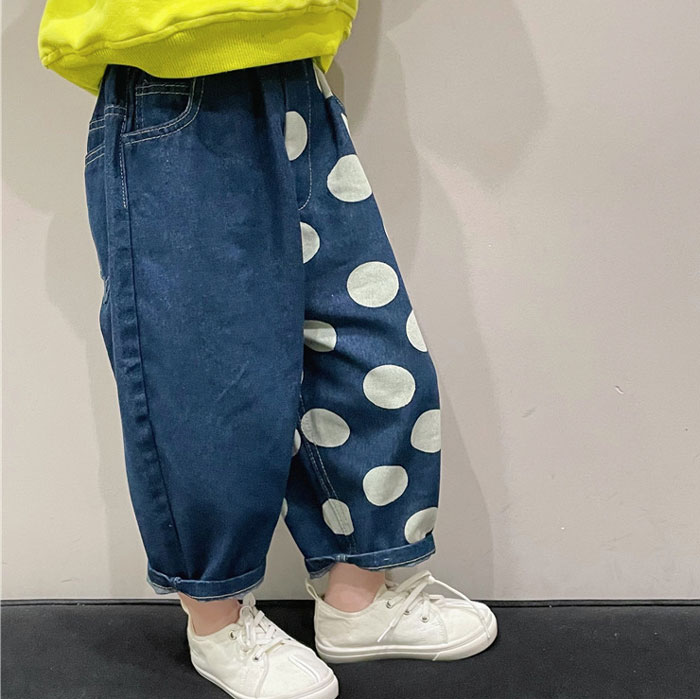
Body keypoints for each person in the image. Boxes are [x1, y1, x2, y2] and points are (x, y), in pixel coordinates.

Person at [37, 1, 498, 697]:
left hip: (296, 80)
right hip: (173, 82)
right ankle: (216, 621)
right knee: (204, 379)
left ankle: (357, 600)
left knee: (370, 349)